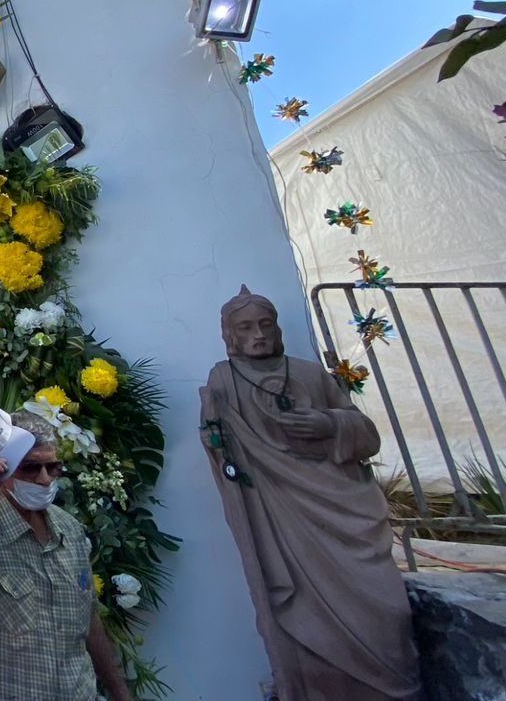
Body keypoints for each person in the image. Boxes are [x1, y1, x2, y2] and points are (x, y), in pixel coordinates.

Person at [199, 286, 420, 700]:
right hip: (281, 515)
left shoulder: (310, 374)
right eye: (246, 327)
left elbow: (366, 434)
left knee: (386, 610)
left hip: (341, 507)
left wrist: (329, 425)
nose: (258, 334)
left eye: (266, 324)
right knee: (302, 611)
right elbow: (218, 444)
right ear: (230, 335)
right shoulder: (223, 380)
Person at [0, 403, 133, 701]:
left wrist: (120, 691)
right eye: (30, 468)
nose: (45, 478)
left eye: (53, 467)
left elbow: (88, 619)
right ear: (1, 470)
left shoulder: (69, 527)